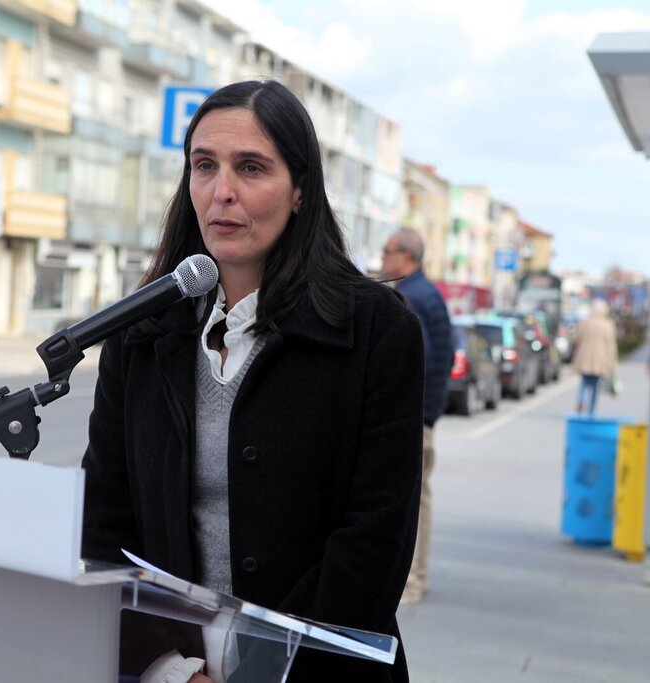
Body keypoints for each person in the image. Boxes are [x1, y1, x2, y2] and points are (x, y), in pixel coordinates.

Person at [81, 80, 425, 683]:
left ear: (299, 190)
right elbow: (103, 521)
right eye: (204, 165)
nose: (222, 191)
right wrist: (170, 667)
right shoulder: (143, 331)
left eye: (252, 168)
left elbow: (375, 539)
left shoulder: (375, 330)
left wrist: (263, 673)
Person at [380, 228, 453, 606]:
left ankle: (412, 581)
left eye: (387, 251)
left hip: (415, 419)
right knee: (416, 498)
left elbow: (408, 365)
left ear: (406, 256)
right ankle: (413, 578)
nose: (382, 259)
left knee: (412, 502)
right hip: (425, 415)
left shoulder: (412, 298)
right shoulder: (428, 294)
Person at [572, 298, 619, 415]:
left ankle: (580, 401)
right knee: (595, 386)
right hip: (600, 359)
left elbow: (576, 339)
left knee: (584, 382)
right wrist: (612, 362)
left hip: (584, 357)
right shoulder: (608, 325)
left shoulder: (585, 323)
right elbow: (611, 345)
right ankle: (591, 410)